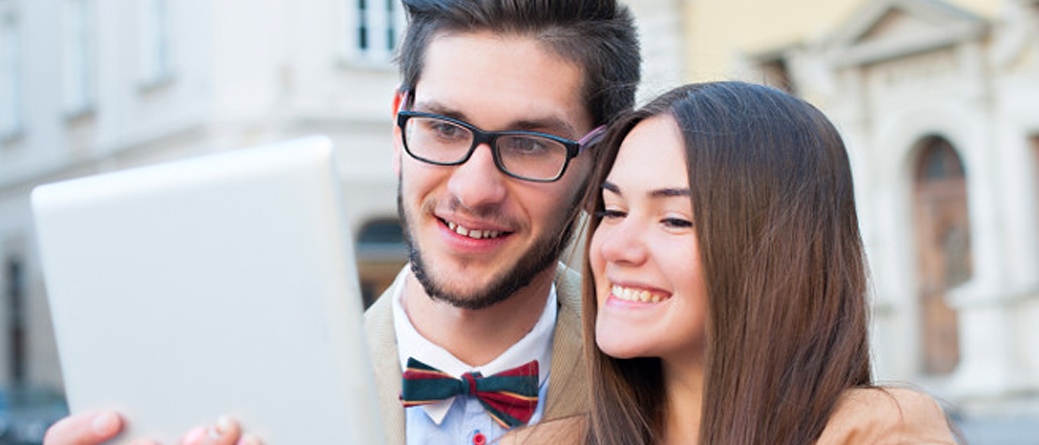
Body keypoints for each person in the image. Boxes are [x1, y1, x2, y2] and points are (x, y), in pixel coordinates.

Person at [43, 1, 641, 445]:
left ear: (603, 162)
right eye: (443, 128)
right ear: (397, 127)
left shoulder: (672, 389)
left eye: (530, 142)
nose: (473, 189)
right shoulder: (249, 408)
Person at [509, 81, 958, 445]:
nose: (615, 248)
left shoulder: (877, 431)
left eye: (674, 220)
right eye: (612, 211)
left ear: (778, 254)